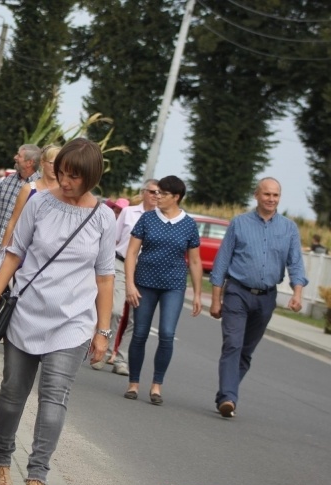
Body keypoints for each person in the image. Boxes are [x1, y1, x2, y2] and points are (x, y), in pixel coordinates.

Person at [0, 138, 115, 485]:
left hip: (72, 323)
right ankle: (0, 459)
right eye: (62, 173)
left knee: (54, 399)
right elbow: (13, 255)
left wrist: (102, 330)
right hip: (26, 314)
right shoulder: (39, 203)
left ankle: (37, 476)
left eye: (73, 176)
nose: (64, 181)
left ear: (91, 177)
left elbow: (104, 277)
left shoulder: (103, 217)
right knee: (12, 394)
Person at [210, 177, 307, 418]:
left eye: (275, 195)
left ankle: (225, 393)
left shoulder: (288, 228)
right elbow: (222, 261)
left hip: (266, 298)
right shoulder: (239, 224)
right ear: (257, 195)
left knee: (246, 351)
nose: (271, 199)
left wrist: (297, 293)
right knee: (233, 343)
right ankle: (230, 398)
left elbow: (295, 262)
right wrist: (215, 298)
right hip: (237, 292)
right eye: (267, 194)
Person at [123, 176, 203, 405]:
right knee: (139, 333)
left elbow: (195, 262)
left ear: (176, 197)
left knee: (167, 334)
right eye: (156, 193)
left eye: (163, 194)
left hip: (174, 285)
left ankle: (157, 385)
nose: (157, 197)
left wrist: (197, 294)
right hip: (144, 283)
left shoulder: (189, 223)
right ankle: (134, 382)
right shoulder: (147, 219)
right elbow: (131, 253)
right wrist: (130, 283)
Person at [92, 180, 160, 376]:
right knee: (114, 310)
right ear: (144, 192)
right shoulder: (129, 213)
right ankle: (104, 350)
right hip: (121, 263)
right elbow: (113, 239)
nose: (156, 195)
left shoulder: (160, 218)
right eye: (153, 192)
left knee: (136, 317)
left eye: (159, 192)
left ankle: (121, 359)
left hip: (145, 268)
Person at [0, 144, 42, 269]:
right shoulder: (9, 180)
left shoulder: (39, 188)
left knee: (12, 288)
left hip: (19, 253)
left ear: (29, 163)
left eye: (19, 155)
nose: (15, 157)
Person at [0, 144, 59, 250]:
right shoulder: (28, 189)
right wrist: (3, 251)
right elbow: (13, 222)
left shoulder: (64, 193)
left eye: (60, 164)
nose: (57, 168)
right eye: (52, 163)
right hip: (22, 248)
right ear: (42, 163)